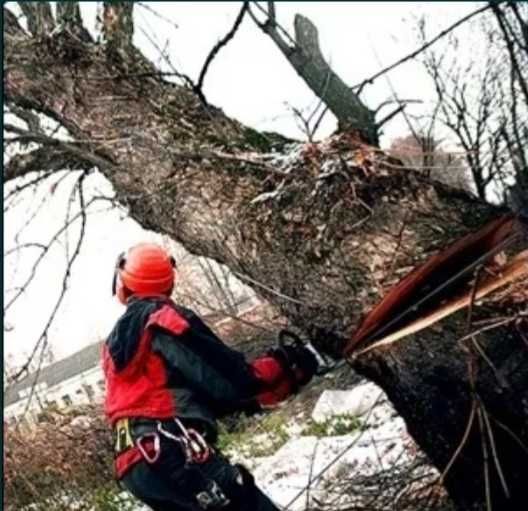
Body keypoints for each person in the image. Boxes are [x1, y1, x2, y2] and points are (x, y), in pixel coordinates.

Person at [102, 242, 319, 511]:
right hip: (170, 451)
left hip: (134, 463)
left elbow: (183, 395)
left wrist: (256, 399)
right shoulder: (164, 320)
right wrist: (281, 365)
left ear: (124, 283)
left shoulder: (114, 342)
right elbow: (228, 380)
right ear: (168, 281)